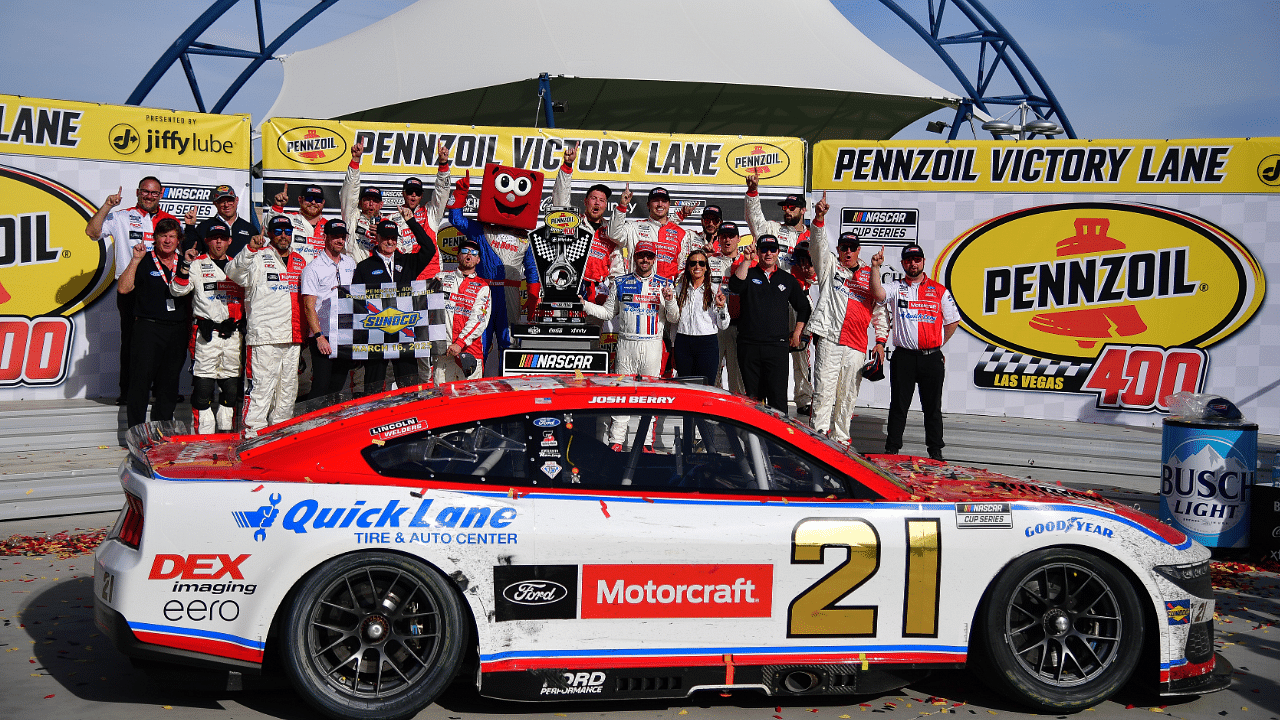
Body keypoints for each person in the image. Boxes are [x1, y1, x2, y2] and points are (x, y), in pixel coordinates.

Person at [806, 194, 890, 445]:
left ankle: (841, 441)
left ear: (858, 250)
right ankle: (816, 440)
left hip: (856, 345)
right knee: (822, 394)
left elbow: (879, 311)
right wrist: (819, 218)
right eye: (844, 247)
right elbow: (817, 245)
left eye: (853, 248)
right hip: (830, 339)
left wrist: (881, 341)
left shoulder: (869, 273)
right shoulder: (829, 264)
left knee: (847, 397)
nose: (848, 252)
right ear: (839, 248)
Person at [84, 177, 177, 405]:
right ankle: (128, 392)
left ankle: (160, 390)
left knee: (161, 341)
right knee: (132, 341)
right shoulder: (122, 217)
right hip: (130, 288)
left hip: (161, 288)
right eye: (145, 192)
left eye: (154, 193)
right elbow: (91, 232)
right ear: (138, 192)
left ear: (161, 194)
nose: (149, 196)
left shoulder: (170, 221)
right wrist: (107, 206)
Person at [581, 241, 679, 449]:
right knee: (622, 394)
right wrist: (585, 305)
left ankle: (646, 443)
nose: (645, 260)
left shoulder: (665, 284)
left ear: (655, 259)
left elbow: (674, 317)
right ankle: (616, 442)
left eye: (649, 256)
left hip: (652, 345)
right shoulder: (620, 282)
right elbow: (608, 313)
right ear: (634, 257)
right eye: (641, 255)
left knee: (649, 396)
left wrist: (670, 300)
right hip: (626, 344)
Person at [227, 215, 307, 433]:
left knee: (287, 393)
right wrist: (249, 250)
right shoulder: (257, 256)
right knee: (260, 391)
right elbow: (232, 273)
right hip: (264, 337)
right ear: (269, 233)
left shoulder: (300, 260)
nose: (283, 235)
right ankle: (251, 436)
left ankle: (280, 438)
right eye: (278, 231)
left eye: (287, 231)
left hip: (293, 336)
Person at [883, 243, 960, 460]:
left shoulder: (939, 290)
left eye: (917, 260)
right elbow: (878, 293)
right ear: (902, 264)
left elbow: (953, 320)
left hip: (931, 358)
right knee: (898, 405)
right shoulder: (896, 287)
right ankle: (892, 449)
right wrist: (876, 267)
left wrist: (937, 344)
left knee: (932, 408)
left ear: (924, 262)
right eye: (908, 260)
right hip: (904, 356)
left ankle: (935, 451)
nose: (913, 263)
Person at [350, 210, 439, 395]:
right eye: (386, 238)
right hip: (376, 334)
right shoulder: (365, 266)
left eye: (393, 238)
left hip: (404, 334)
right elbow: (356, 302)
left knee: (409, 387)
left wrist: (411, 222)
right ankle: (371, 418)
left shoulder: (407, 262)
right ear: (377, 238)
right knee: (372, 387)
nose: (390, 242)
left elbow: (429, 248)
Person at [744, 172, 813, 410]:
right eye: (785, 207)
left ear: (803, 210)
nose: (787, 210)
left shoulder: (813, 236)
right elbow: (755, 221)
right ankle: (762, 398)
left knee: (801, 349)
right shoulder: (774, 229)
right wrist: (753, 193)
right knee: (774, 350)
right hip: (774, 296)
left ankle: (804, 398)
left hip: (801, 295)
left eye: (792, 207)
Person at [169, 221, 244, 434]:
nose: (218, 242)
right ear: (208, 240)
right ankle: (203, 438)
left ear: (229, 241)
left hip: (232, 335)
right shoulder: (196, 263)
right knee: (203, 388)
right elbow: (177, 291)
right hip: (205, 335)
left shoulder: (237, 266)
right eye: (214, 238)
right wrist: (184, 264)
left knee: (230, 388)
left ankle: (226, 434)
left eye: (222, 238)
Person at [116, 217, 190, 428]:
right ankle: (135, 433)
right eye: (162, 236)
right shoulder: (144, 259)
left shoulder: (185, 262)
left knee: (169, 385)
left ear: (178, 240)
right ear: (155, 238)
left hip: (176, 330)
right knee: (140, 383)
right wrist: (135, 260)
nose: (167, 240)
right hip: (148, 329)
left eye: (172, 236)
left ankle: (162, 434)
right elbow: (123, 288)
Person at [728, 234, 811, 413]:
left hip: (777, 348)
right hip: (749, 346)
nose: (768, 253)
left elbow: (804, 308)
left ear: (778, 252)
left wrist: (797, 333)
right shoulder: (747, 273)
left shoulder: (787, 279)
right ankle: (754, 441)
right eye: (763, 250)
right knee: (753, 400)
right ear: (758, 252)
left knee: (778, 400)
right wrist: (746, 260)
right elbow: (735, 286)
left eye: (772, 250)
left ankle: (776, 441)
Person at [552, 144, 624, 301]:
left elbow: (617, 269)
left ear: (606, 205)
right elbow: (560, 203)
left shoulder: (610, 232)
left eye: (602, 200)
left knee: (594, 327)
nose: (597, 203)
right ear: (585, 201)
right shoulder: (573, 223)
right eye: (593, 198)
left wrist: (615, 298)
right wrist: (567, 167)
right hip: (569, 285)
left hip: (597, 293)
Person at [299, 219, 357, 400]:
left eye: (342, 237)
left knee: (337, 386)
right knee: (320, 387)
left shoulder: (350, 263)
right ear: (325, 237)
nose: (340, 241)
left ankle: (331, 425)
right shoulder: (313, 268)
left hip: (346, 334)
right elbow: (309, 307)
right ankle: (310, 424)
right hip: (323, 335)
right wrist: (319, 337)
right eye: (335, 237)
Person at [608, 185, 701, 281]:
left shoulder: (681, 233)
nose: (660, 204)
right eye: (656, 200)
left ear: (669, 205)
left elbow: (682, 268)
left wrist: (676, 290)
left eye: (664, 201)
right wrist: (622, 206)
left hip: (667, 291)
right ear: (648, 205)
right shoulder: (634, 227)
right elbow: (614, 234)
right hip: (638, 289)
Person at [432, 237, 491, 384]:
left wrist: (460, 343)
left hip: (469, 353)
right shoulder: (441, 278)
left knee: (468, 401)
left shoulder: (482, 287)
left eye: (474, 253)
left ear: (478, 260)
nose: (468, 255)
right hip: (443, 352)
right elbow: (427, 311)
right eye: (465, 251)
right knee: (441, 398)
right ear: (458, 255)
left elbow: (479, 320)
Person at [672, 249, 730, 385]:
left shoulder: (715, 290)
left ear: (706, 268)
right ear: (687, 267)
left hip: (707, 344)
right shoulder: (679, 289)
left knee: (705, 388)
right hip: (683, 343)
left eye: (701, 263)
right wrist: (674, 346)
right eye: (693, 263)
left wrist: (721, 307)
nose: (697, 266)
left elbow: (724, 325)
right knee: (685, 388)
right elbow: (674, 322)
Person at [711, 222, 750, 394]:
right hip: (714, 325)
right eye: (723, 236)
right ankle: (710, 417)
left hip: (739, 327)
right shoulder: (708, 261)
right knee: (712, 377)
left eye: (731, 236)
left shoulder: (748, 262)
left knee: (738, 379)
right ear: (718, 239)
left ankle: (736, 418)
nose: (727, 240)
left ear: (738, 239)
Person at [264, 183, 334, 266]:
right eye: (309, 198)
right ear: (300, 200)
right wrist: (277, 208)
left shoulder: (330, 226)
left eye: (318, 200)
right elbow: (266, 230)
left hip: (321, 276)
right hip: (293, 274)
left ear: (323, 202)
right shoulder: (289, 219)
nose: (313, 202)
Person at [183, 184, 254, 257]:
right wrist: (190, 226)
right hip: (211, 268)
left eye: (230, 200)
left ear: (236, 200)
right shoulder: (204, 226)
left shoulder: (250, 228)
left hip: (242, 268)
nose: (226, 205)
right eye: (221, 201)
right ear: (215, 203)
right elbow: (189, 252)